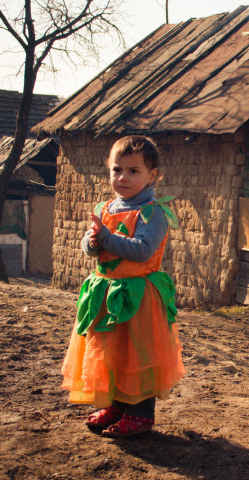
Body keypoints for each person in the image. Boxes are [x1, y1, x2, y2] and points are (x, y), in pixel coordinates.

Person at [61, 135, 184, 437]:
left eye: (133, 171)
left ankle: (140, 414)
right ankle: (117, 406)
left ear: (152, 175)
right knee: (112, 353)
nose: (123, 177)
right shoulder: (105, 208)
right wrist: (91, 243)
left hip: (138, 298)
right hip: (107, 295)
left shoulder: (153, 213)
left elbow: (141, 249)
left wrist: (105, 238)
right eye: (117, 170)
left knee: (137, 355)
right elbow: (90, 246)